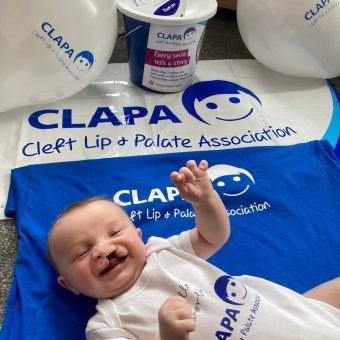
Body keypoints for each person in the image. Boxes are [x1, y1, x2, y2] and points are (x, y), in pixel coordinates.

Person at [47, 160, 340, 339]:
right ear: (68, 284)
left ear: (139, 236)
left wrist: (206, 202)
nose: (102, 249)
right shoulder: (107, 324)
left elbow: (213, 237)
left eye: (114, 232)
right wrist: (166, 336)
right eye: (82, 253)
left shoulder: (162, 251)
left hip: (290, 312)